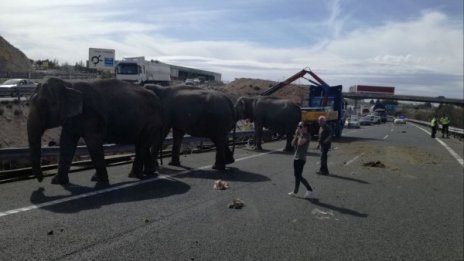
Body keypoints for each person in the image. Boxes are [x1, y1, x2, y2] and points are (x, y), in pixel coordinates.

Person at [288, 121, 313, 199]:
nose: (299, 128)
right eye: (298, 126)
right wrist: (296, 135)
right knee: (297, 176)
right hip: (296, 157)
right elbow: (292, 144)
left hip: (301, 158)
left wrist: (300, 134)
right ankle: (295, 191)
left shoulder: (307, 135)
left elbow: (300, 143)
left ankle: (309, 189)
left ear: (305, 127)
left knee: (298, 176)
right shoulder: (299, 135)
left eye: (300, 126)